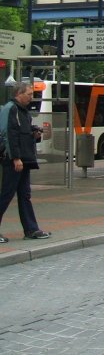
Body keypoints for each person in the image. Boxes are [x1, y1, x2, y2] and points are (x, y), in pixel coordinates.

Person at [0, 82, 50, 242]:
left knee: (24, 195)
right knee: (6, 195)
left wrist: (33, 135)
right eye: (29, 94)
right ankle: (31, 229)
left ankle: (31, 229)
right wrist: (15, 158)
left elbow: (19, 134)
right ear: (18, 94)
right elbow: (8, 134)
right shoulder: (11, 109)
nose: (31, 97)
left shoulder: (22, 111)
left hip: (23, 159)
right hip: (15, 159)